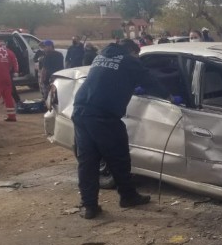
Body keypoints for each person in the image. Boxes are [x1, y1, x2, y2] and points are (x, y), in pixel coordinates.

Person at [71, 39, 173, 219]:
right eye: (137, 55)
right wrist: (169, 96)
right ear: (132, 51)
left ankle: (89, 206)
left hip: (81, 111)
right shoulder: (129, 60)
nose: (138, 58)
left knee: (87, 161)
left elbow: (109, 78)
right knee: (118, 158)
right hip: (104, 116)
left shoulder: (101, 56)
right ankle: (128, 196)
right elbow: (150, 81)